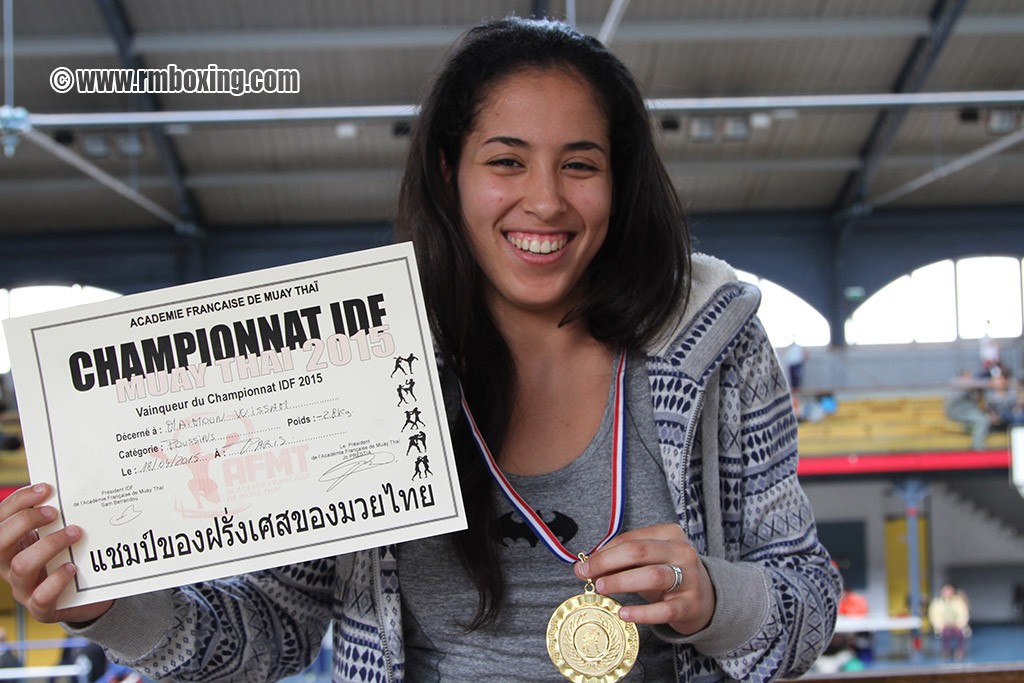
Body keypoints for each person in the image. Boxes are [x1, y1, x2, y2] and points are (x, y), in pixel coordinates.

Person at [0, 17, 841, 683]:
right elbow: (267, 635)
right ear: (449, 173)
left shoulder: (716, 341)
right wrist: (108, 606)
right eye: (506, 161)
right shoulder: (360, 360)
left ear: (618, 182)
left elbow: (805, 603)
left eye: (579, 165)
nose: (544, 202)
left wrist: (711, 600)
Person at [928, 582, 970, 660]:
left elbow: (963, 614)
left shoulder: (959, 601)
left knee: (959, 633)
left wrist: (959, 623)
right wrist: (941, 624)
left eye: (949, 590)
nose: (948, 592)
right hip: (944, 625)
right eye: (946, 590)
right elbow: (934, 615)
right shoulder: (937, 603)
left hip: (957, 625)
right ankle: (945, 650)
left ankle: (960, 651)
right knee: (945, 633)